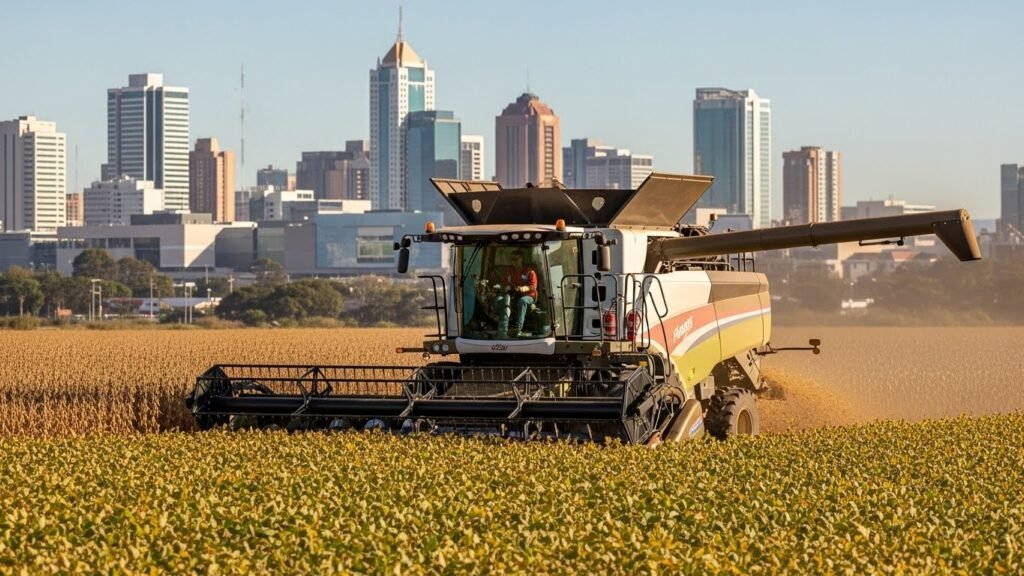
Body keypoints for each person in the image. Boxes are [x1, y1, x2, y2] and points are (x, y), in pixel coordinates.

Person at [495, 249, 538, 337]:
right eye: (512, 260)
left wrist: (524, 288)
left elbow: (533, 287)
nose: (513, 262)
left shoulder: (530, 272)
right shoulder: (510, 271)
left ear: (521, 259)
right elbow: (504, 282)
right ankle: (500, 327)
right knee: (500, 299)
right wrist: (501, 286)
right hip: (515, 295)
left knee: (522, 301)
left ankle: (518, 329)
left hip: (529, 296)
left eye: (516, 259)